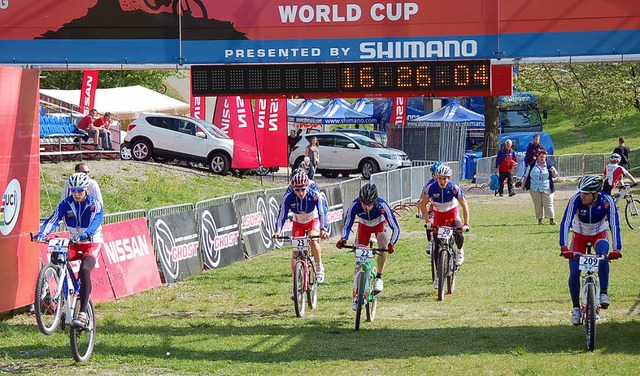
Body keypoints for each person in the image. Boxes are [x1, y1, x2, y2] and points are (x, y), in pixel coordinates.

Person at [33, 172, 104, 327]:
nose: (76, 194)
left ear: (87, 189)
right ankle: (61, 296)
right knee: (57, 257)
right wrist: (41, 234)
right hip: (73, 241)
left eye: (80, 190)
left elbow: (96, 222)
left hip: (92, 242)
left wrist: (86, 234)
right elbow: (53, 220)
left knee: (85, 270)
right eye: (73, 190)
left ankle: (83, 312)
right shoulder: (65, 204)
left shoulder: (94, 204)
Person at [559, 175, 622, 325]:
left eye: (586, 193)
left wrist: (617, 248)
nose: (582, 196)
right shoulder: (576, 200)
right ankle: (575, 308)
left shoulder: (607, 201)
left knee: (603, 257)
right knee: (574, 271)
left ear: (596, 194)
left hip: (599, 234)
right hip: (579, 235)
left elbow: (614, 224)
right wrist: (564, 246)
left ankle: (603, 293)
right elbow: (566, 221)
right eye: (581, 192)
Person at [336, 183, 400, 305]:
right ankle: (356, 292)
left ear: (374, 201)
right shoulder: (355, 205)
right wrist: (344, 239)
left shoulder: (382, 205)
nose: (366, 206)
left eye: (370, 203)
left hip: (379, 225)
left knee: (382, 242)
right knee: (359, 257)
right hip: (363, 226)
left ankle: (379, 277)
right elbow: (347, 224)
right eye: (364, 203)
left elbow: (395, 227)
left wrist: (392, 243)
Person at [417, 165, 470, 288]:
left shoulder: (454, 188)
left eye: (445, 179)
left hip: (452, 214)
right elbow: (423, 204)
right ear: (436, 178)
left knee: (459, 232)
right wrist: (427, 221)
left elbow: (464, 205)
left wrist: (466, 223)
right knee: (436, 245)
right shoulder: (431, 188)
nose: (442, 181)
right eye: (440, 178)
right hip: (438, 216)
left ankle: (459, 250)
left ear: (449, 178)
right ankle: (438, 275)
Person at [272, 171, 329, 284]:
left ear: (307, 187)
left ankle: (318, 266)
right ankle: (295, 285)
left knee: (313, 240)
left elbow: (322, 213)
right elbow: (281, 215)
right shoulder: (289, 197)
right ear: (293, 189)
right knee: (295, 252)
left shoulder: (314, 195)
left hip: (312, 220)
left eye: (303, 189)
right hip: (298, 222)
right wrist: (278, 231)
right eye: (297, 190)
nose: (300, 192)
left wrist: (323, 229)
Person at [522, 150, 558, 225]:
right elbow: (526, 176)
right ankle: (540, 220)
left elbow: (555, 175)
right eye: (541, 157)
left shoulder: (549, 165)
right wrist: (523, 185)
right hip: (534, 187)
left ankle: (552, 219)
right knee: (537, 204)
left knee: (548, 203)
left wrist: (554, 171)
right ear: (538, 157)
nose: (542, 158)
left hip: (546, 186)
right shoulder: (531, 165)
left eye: (544, 157)